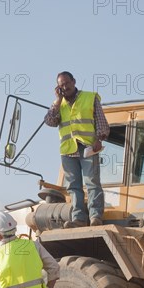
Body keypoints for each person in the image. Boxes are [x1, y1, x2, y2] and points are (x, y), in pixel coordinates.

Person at [44, 71, 110, 227]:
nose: (65, 87)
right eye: (61, 85)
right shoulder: (59, 105)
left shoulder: (89, 97)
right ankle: (78, 219)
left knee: (92, 182)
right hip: (68, 150)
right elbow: (50, 121)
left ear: (74, 81)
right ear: (57, 88)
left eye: (67, 83)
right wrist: (58, 100)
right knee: (73, 186)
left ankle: (95, 217)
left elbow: (101, 120)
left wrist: (99, 138)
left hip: (88, 146)